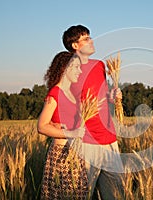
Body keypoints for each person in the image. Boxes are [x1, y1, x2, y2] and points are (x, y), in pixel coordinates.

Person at [62, 25, 124, 199]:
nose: (91, 41)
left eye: (90, 37)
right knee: (83, 194)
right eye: (86, 38)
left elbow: (102, 95)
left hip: (109, 139)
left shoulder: (99, 65)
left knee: (116, 194)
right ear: (75, 45)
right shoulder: (67, 70)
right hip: (85, 142)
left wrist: (112, 96)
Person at [37, 51, 89, 199]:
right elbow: (41, 126)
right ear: (65, 69)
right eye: (76, 67)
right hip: (61, 156)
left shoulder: (71, 94)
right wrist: (71, 133)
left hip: (76, 154)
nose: (80, 71)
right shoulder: (55, 92)